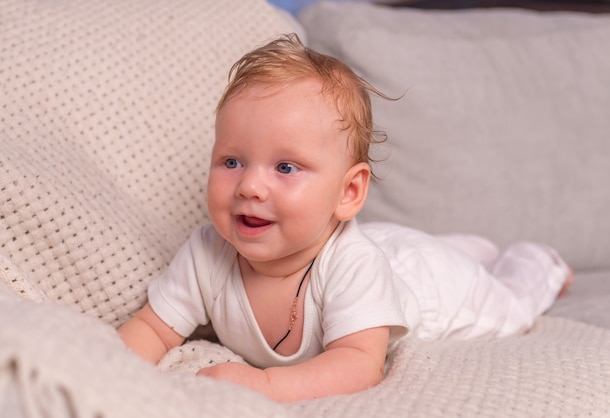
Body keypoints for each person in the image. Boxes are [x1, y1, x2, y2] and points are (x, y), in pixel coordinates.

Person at [117, 34, 573, 402]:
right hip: (383, 247)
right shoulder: (206, 253)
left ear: (348, 192)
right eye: (233, 161)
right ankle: (472, 247)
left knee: (510, 305)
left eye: (285, 168)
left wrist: (268, 386)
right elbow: (153, 328)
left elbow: (359, 362)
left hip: (429, 284)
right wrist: (107, 371)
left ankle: (538, 262)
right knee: (413, 249)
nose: (250, 187)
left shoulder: (354, 266)